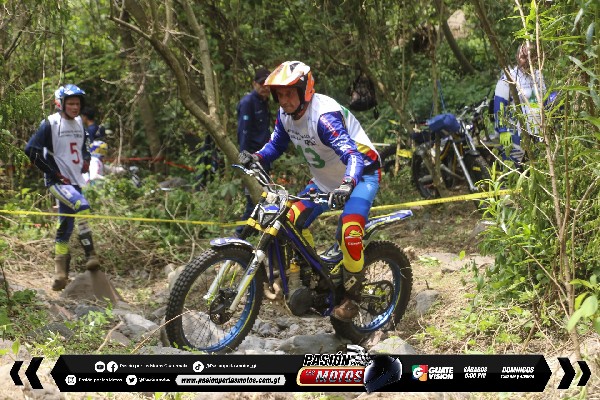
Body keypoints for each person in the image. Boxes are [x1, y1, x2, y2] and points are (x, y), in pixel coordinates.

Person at [238, 61, 381, 322]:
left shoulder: (324, 118)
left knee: (350, 230)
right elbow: (275, 145)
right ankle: (317, 275)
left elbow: (353, 156)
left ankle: (353, 297)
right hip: (325, 181)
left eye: (289, 93)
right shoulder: (286, 116)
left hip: (362, 177)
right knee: (290, 220)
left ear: (305, 90)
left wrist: (347, 183)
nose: (284, 100)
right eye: (279, 95)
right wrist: (256, 157)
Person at [25, 84, 101, 291]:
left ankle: (61, 274)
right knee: (82, 206)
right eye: (71, 104)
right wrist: (51, 172)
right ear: (61, 104)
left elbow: (85, 144)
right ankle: (91, 255)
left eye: (77, 104)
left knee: (65, 225)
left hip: (76, 180)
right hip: (59, 181)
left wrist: (86, 159)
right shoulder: (50, 123)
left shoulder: (79, 123)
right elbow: (30, 149)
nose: (75, 107)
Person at [493, 42, 546, 166]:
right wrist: (502, 130)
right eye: (523, 57)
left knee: (538, 170)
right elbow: (499, 106)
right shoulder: (509, 77)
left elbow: (542, 101)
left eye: (531, 56)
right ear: (517, 57)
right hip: (515, 135)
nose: (527, 60)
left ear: (536, 57)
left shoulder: (538, 76)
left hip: (537, 133)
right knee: (512, 171)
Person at [235, 67, 272, 236]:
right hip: (252, 159)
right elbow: (243, 132)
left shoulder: (265, 102)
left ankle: (258, 234)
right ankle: (240, 236)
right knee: (253, 199)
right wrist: (245, 160)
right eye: (261, 83)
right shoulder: (248, 102)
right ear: (254, 84)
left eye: (267, 84)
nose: (265, 87)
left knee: (263, 198)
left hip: (264, 158)